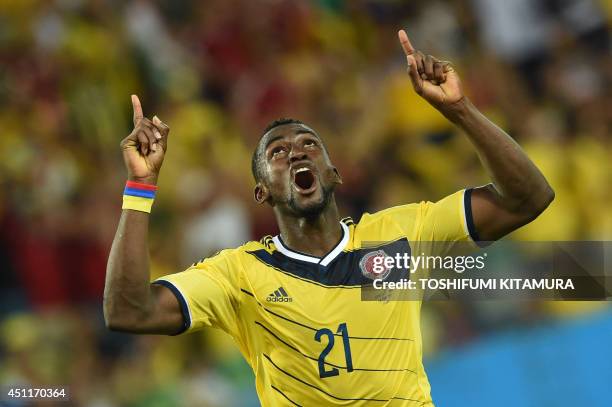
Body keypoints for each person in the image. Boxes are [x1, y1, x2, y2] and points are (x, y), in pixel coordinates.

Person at [104, 30, 554, 406]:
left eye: (309, 145)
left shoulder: (401, 232)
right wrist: (140, 187)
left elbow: (528, 199)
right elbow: (128, 311)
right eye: (277, 153)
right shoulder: (237, 275)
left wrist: (459, 109)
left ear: (334, 175)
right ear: (262, 191)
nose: (296, 152)